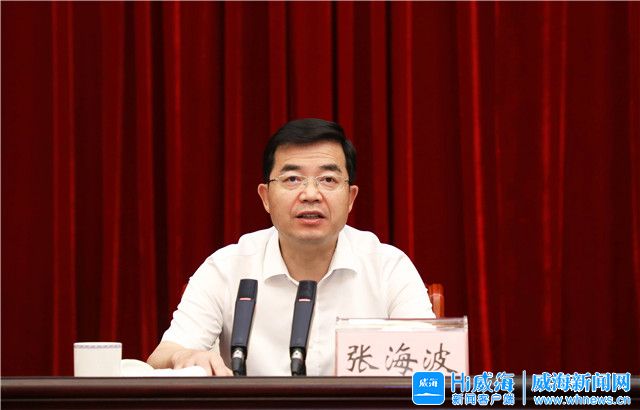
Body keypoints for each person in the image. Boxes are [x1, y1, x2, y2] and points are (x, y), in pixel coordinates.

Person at [147, 118, 434, 376]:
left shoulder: (388, 268)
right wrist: (184, 356)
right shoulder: (226, 268)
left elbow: (430, 363)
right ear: (265, 197)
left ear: (350, 198)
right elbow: (162, 357)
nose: (310, 194)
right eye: (292, 179)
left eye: (328, 179)